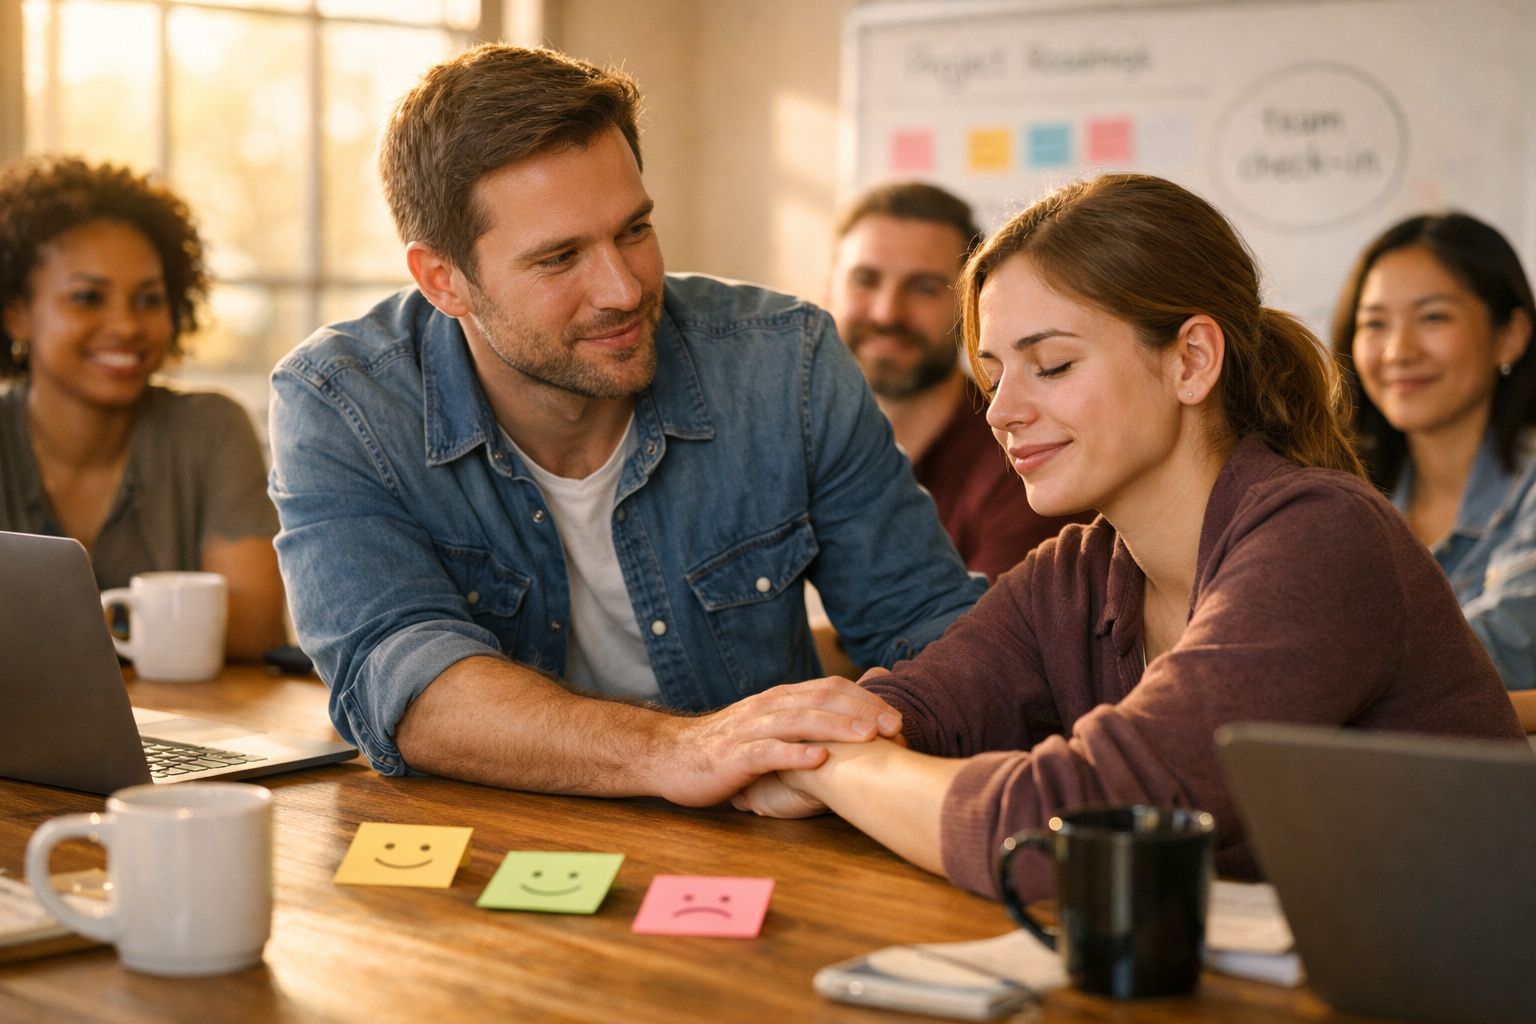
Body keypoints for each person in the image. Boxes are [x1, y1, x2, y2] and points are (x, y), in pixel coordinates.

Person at [732, 174, 1524, 901]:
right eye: (993, 373)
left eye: (1050, 365)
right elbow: (904, 710)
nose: (1002, 411)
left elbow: (1074, 834)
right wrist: (835, 747)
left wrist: (828, 763)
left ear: (1190, 361)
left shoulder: (1323, 538)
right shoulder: (1073, 572)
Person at [266, 44, 985, 801]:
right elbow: (402, 678)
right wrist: (681, 751)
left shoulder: (787, 362)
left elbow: (929, 630)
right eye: (559, 257)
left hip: (769, 833)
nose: (622, 289)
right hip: (487, 849)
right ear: (444, 279)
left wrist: (855, 751)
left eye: (634, 230)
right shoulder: (341, 402)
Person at [0, 156, 287, 662]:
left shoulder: (210, 430)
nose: (127, 326)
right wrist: (168, 623)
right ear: (17, 313)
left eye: (149, 300)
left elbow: (256, 626)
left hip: (192, 727)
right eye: (88, 297)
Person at [1332, 213, 1536, 727]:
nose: (1399, 351)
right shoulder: (1339, 492)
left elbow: (1510, 646)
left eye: (1433, 318)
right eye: (1375, 323)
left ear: (1510, 336)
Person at [827, 182, 1088, 582]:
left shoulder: (1023, 455)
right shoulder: (787, 445)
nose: (886, 313)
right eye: (865, 279)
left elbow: (982, 640)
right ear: (831, 288)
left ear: (973, 306)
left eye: (924, 288)